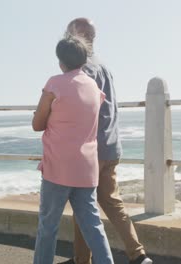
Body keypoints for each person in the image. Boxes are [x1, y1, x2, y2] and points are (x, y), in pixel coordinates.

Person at [59, 18, 153, 264]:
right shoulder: (104, 67)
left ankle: (83, 259)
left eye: (69, 34)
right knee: (111, 202)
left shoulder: (84, 69)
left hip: (91, 149)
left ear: (79, 37)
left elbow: (80, 108)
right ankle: (137, 253)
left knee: (83, 205)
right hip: (111, 145)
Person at [32, 35, 114, 264]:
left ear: (61, 61)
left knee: (48, 226)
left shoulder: (54, 83)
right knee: (93, 227)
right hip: (86, 169)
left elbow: (37, 124)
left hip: (58, 167)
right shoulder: (94, 87)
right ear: (83, 60)